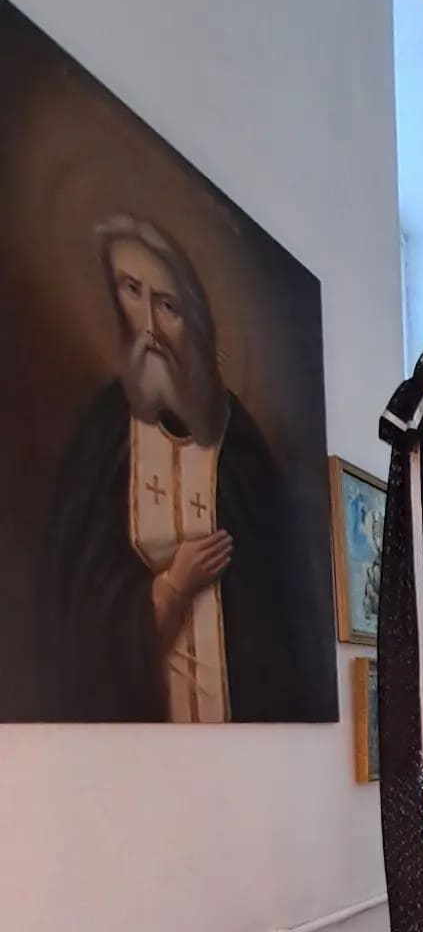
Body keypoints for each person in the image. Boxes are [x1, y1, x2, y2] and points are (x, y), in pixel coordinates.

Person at [42, 214, 332, 722]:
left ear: (195, 322)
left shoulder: (238, 445)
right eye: (131, 291)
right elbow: (73, 614)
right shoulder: (103, 436)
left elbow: (282, 615)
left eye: (167, 305)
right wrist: (172, 586)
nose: (149, 328)